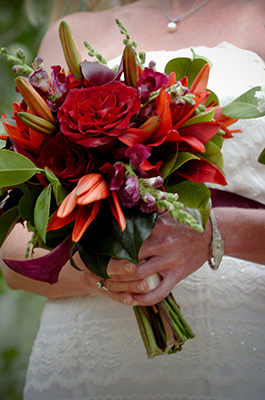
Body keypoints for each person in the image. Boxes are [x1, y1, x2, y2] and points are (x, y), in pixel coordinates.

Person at [1, 0, 265, 399]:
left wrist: (212, 234)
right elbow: (13, 260)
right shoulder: (70, 29)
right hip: (81, 352)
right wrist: (98, 267)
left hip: (238, 334)